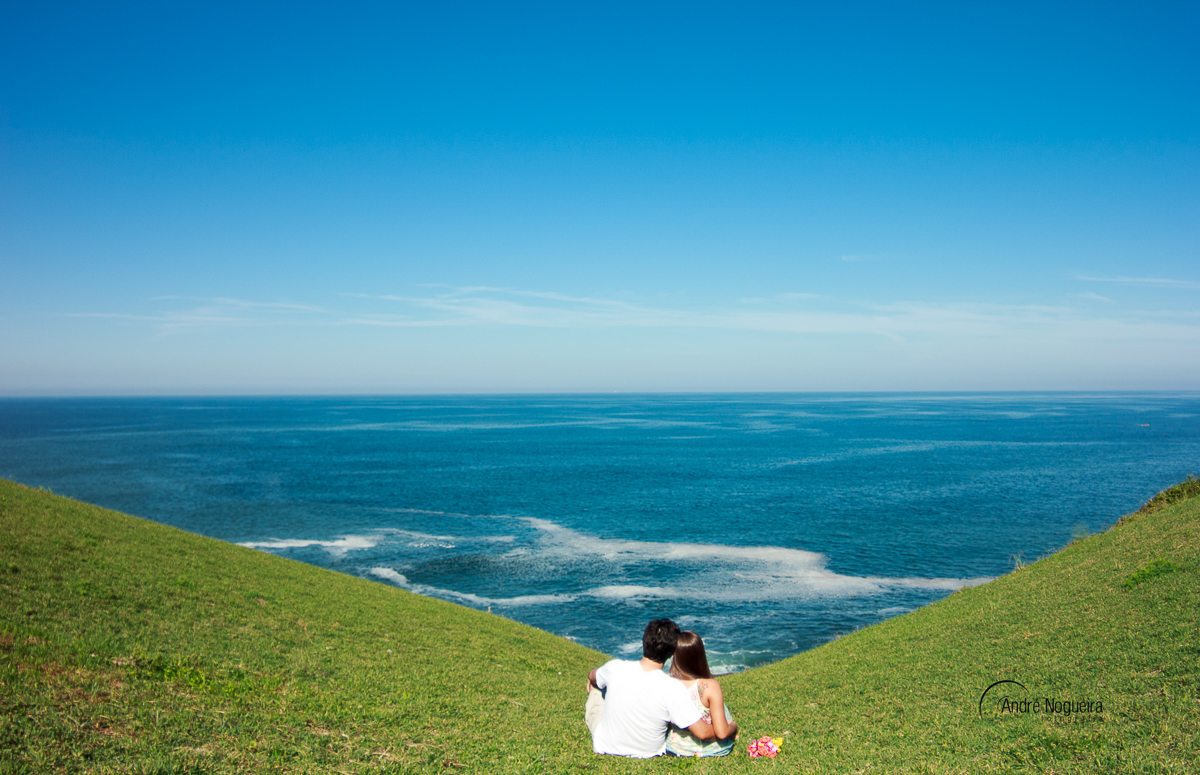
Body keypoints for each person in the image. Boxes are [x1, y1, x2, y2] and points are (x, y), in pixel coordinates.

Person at [585, 619, 719, 757]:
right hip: (648, 752)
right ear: (672, 652)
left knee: (596, 687)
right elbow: (703, 733)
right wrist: (729, 729)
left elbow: (592, 675)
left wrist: (594, 679)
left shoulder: (615, 667)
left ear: (644, 641)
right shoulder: (673, 687)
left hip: (606, 746)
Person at [665, 630, 738, 756]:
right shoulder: (709, 686)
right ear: (699, 655)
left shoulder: (667, 684)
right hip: (710, 750)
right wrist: (733, 727)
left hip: (675, 748)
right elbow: (721, 733)